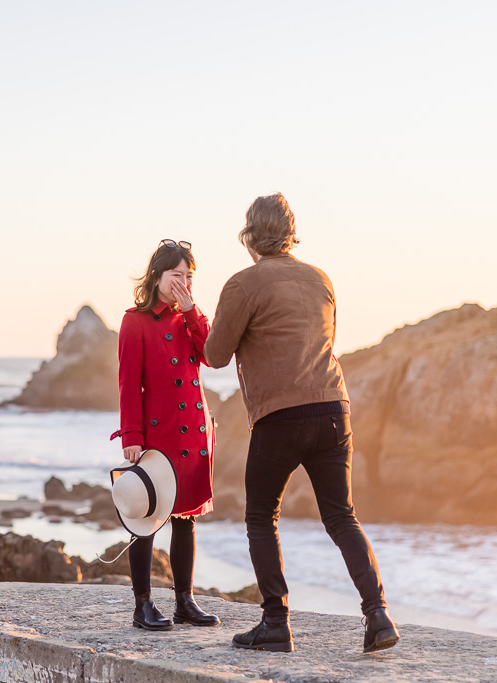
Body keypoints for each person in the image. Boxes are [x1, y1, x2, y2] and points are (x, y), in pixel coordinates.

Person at [204, 194, 399, 654]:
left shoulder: (243, 283)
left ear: (250, 237)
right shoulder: (321, 279)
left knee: (260, 517)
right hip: (334, 409)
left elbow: (214, 355)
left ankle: (275, 624)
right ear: (291, 235)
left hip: (280, 417)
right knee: (341, 516)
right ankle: (378, 615)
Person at [110, 238, 221, 631]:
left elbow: (212, 353)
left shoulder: (188, 316)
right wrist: (132, 435)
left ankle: (184, 602)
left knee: (186, 519)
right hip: (158, 435)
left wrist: (191, 310)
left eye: (189, 277)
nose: (184, 284)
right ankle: (142, 605)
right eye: (177, 276)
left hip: (191, 434)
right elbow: (128, 383)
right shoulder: (134, 321)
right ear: (157, 277)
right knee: (147, 515)